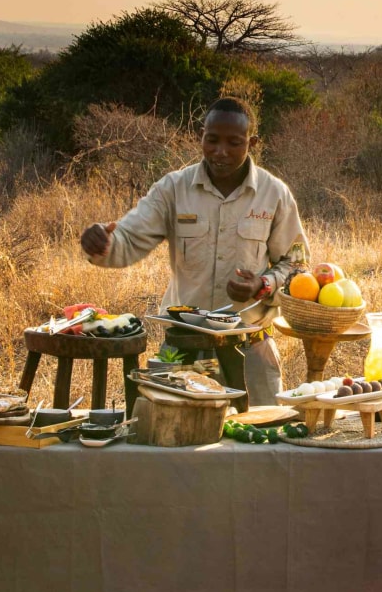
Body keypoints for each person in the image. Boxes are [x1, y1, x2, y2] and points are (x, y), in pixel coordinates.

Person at [79, 96, 307, 404]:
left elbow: (296, 265)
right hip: (183, 347)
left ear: (252, 142)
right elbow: (130, 239)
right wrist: (103, 245)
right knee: (178, 443)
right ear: (201, 136)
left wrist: (261, 284)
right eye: (212, 140)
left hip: (251, 347)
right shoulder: (173, 188)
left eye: (234, 143)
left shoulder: (274, 194)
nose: (220, 151)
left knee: (258, 441)